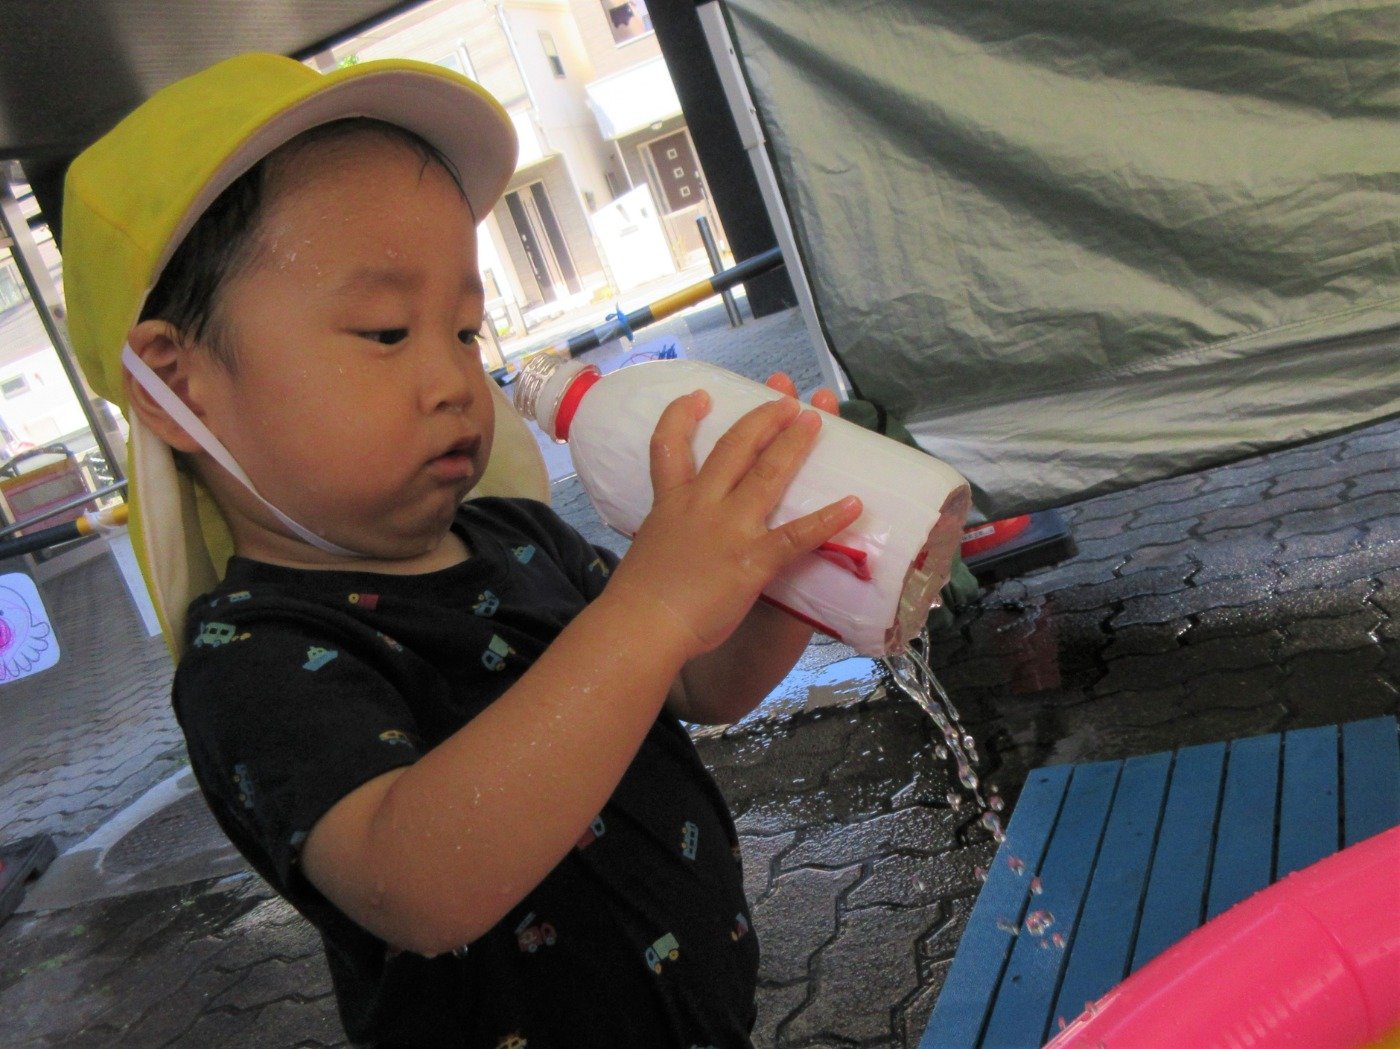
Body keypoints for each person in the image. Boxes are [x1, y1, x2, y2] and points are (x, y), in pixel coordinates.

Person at [63, 53, 861, 1047]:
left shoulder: (520, 537)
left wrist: (782, 566)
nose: (453, 379)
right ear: (178, 383)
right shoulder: (255, 655)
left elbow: (699, 680)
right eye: (386, 330)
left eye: (466, 331)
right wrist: (652, 605)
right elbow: (417, 881)